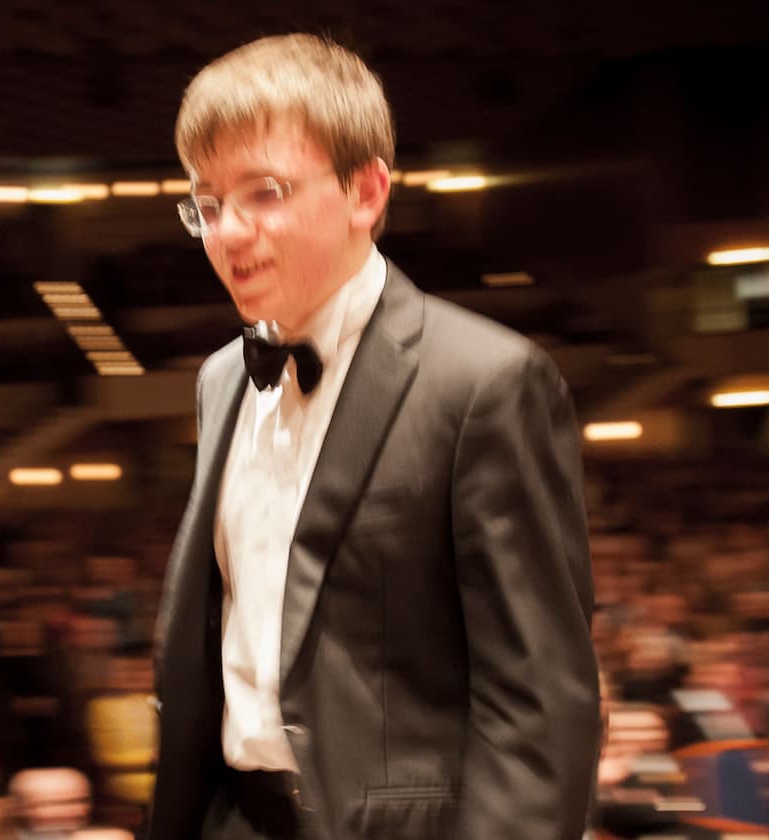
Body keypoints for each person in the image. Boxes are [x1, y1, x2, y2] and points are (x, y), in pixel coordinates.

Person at [148, 34, 600, 840]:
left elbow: (538, 709)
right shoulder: (221, 379)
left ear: (366, 191)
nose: (228, 232)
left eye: (265, 192)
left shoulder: (487, 382)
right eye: (208, 204)